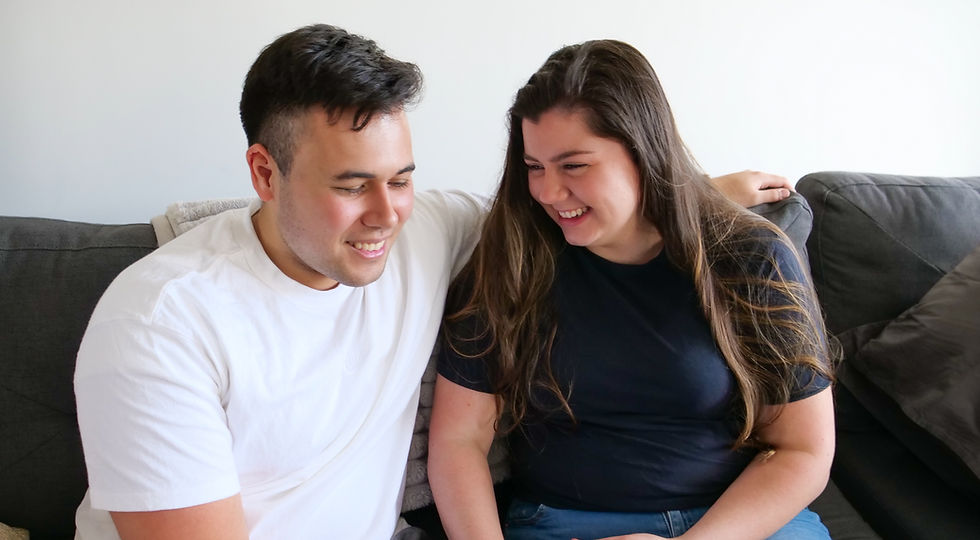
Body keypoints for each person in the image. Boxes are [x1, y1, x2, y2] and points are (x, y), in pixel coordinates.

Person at [72, 24, 796, 540]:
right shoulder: (159, 325)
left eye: (401, 179)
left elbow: (571, 211)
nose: (386, 214)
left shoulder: (426, 234)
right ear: (265, 173)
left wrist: (695, 194)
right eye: (351, 186)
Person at [430, 40, 835, 540]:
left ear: (644, 154)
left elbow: (803, 448)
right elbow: (460, 439)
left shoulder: (752, 257)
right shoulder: (511, 257)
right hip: (562, 523)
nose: (548, 192)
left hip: (736, 521)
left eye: (574, 165)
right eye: (535, 167)